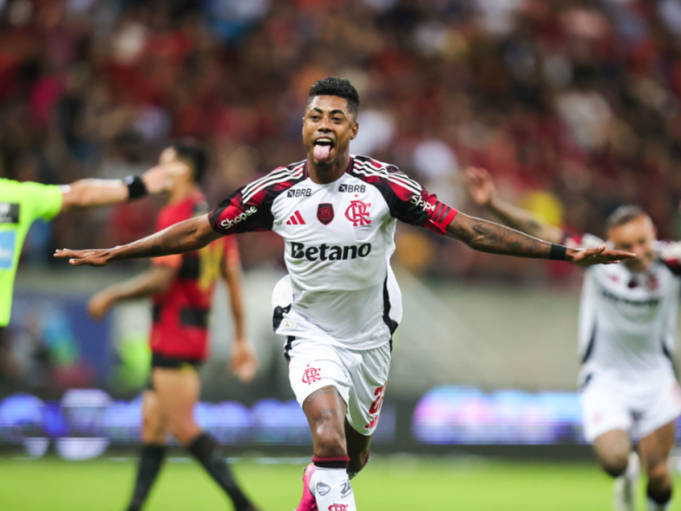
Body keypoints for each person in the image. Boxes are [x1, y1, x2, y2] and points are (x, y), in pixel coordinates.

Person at [55, 78, 634, 511]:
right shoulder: (274, 192)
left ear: (353, 130)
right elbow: (198, 231)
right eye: (315, 116)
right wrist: (118, 251)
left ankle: (317, 486)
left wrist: (562, 254)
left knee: (348, 460)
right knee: (327, 437)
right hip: (306, 328)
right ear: (304, 128)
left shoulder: (384, 186)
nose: (324, 124)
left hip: (371, 336)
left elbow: (469, 231)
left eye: (336, 116)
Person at [465, 166, 681, 511]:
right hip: (606, 378)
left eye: (642, 242)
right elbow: (542, 229)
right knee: (614, 461)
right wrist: (493, 203)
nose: (637, 252)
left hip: (656, 377)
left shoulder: (671, 261)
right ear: (612, 242)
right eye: (626, 245)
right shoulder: (598, 256)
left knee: (658, 475)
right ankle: (626, 472)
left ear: (653, 233)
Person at [86, 140, 260, 511]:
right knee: (152, 425)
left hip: (174, 332)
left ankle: (245, 505)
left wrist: (111, 295)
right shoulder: (214, 216)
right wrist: (241, 338)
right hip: (191, 329)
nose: (157, 171)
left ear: (185, 170)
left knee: (183, 426)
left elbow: (162, 279)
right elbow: (233, 279)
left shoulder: (176, 214)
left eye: (165, 163)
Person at [0, 164, 177, 376]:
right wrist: (138, 186)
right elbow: (80, 195)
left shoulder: (14, 197)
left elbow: (81, 195)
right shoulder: (13, 198)